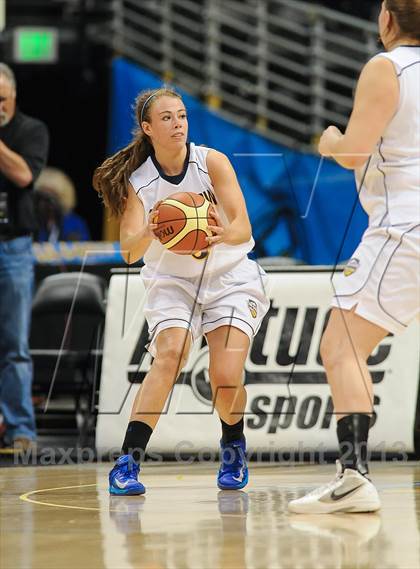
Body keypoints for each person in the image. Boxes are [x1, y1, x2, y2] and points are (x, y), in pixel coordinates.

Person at [93, 87, 269, 495]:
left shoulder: (212, 162)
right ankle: (127, 463)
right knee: (169, 357)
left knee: (224, 377)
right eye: (168, 118)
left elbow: (244, 227)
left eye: (183, 116)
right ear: (148, 128)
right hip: (173, 282)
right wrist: (151, 231)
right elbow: (128, 252)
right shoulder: (138, 182)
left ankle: (233, 445)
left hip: (228, 277)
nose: (178, 124)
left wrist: (219, 233)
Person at [289, 0, 420, 514]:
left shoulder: (385, 66)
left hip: (405, 226)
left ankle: (353, 476)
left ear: (386, 19)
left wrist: (330, 140)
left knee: (341, 345)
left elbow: (353, 152)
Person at [0, 63, 49, 450]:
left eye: (0, 99)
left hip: (12, 247)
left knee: (14, 343)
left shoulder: (31, 131)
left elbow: (23, 176)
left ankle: (21, 430)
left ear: (14, 96)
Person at [34, 167, 91, 242]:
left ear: (63, 197)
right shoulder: (30, 221)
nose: (47, 202)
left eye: (52, 196)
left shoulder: (74, 223)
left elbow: (81, 248)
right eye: (42, 196)